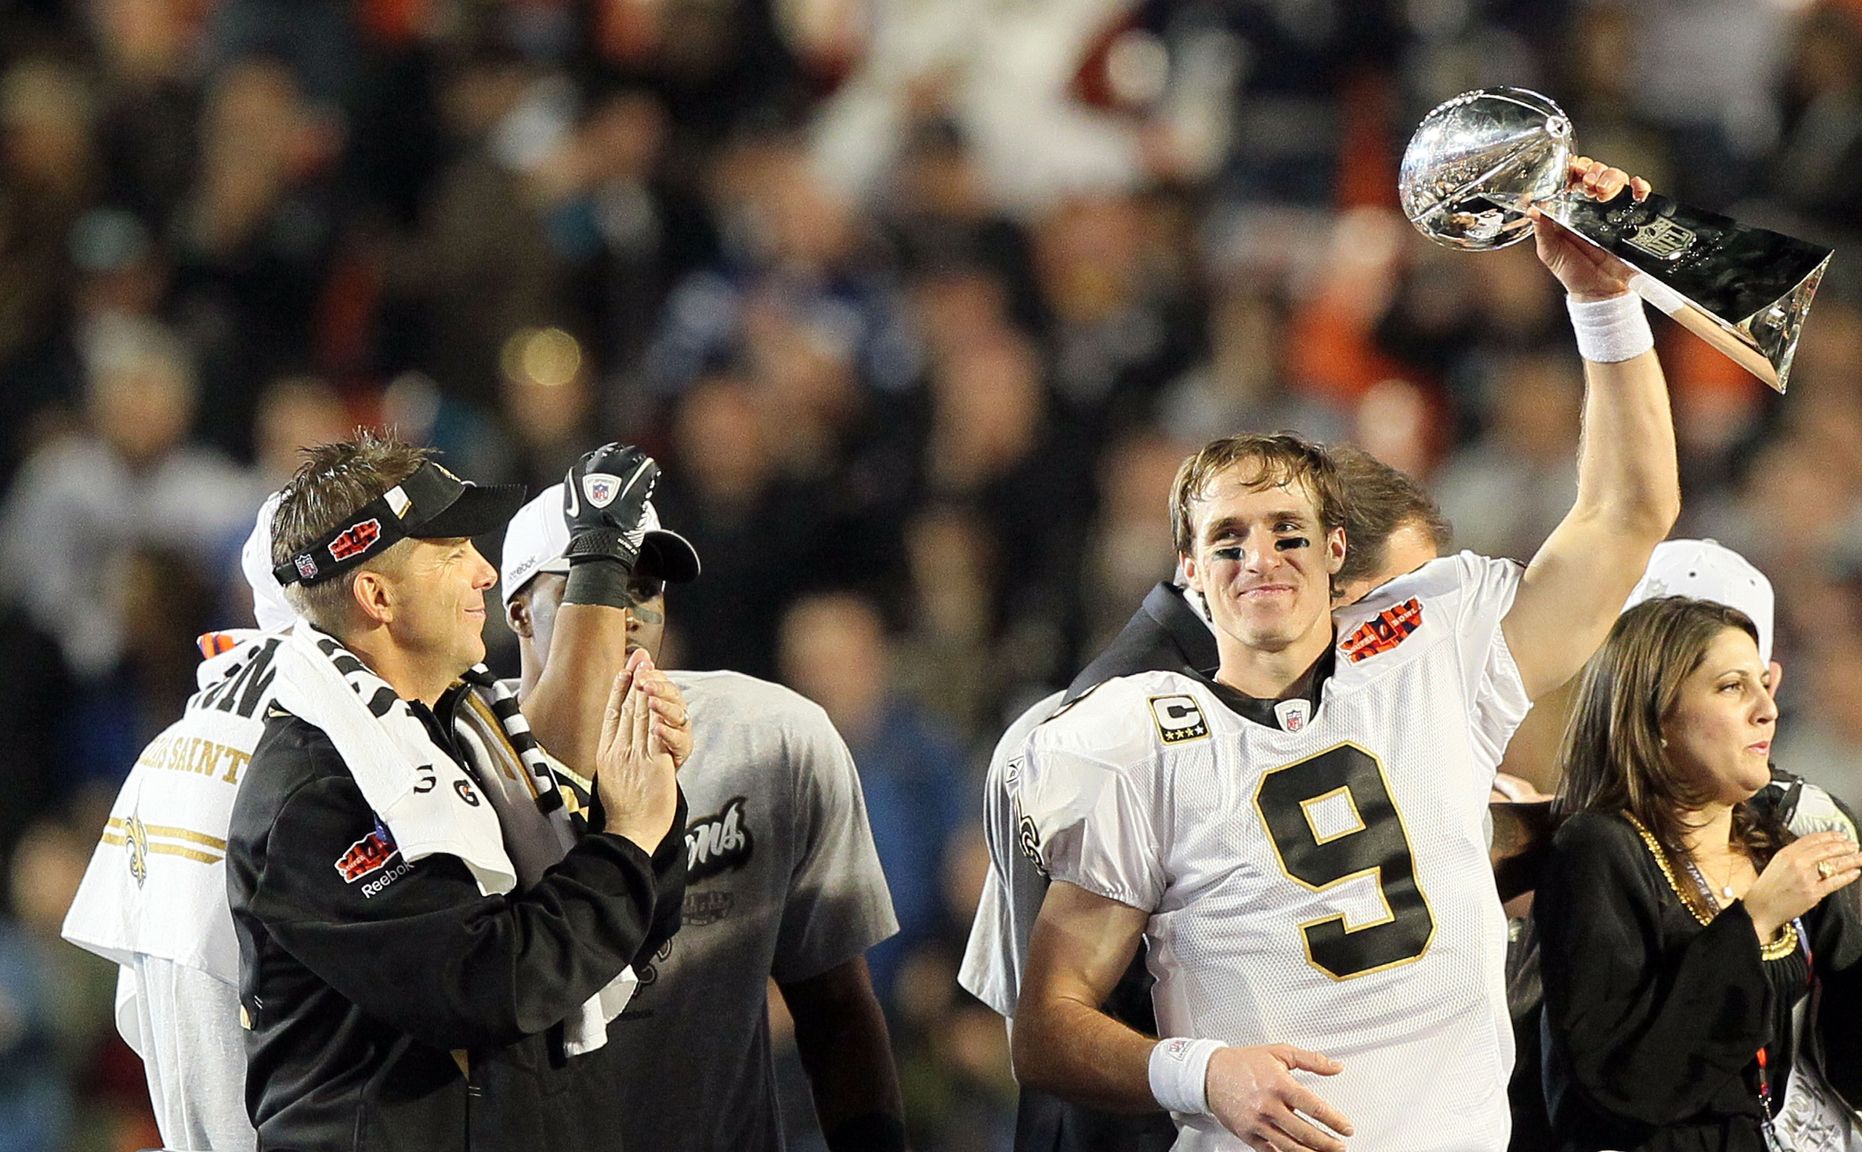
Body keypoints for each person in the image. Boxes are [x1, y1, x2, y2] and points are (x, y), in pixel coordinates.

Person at [1008, 153, 1680, 1152]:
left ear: (1335, 555)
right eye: (1225, 539)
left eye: (1285, 530)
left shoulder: (1429, 654)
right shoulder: (1129, 734)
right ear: (1186, 573)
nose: (1258, 558)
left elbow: (1629, 512)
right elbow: (1044, 1030)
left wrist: (1603, 303)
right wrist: (1199, 1072)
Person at [959, 448, 1455, 1152]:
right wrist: (1200, 1077)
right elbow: (1051, 1020)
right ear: (1335, 578)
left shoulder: (1299, 703)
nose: (1413, 630)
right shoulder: (1112, 733)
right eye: (1399, 602)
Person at [226, 430, 692, 1152]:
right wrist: (627, 840)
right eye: (452, 555)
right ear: (377, 596)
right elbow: (487, 984)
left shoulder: (463, 725)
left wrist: (642, 810)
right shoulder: (315, 793)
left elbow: (624, 931)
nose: (483, 572)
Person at [498, 469, 906, 1152]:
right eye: (589, 587)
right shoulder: (457, 763)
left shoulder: (771, 742)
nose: (623, 612)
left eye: (642, 587)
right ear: (517, 610)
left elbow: (837, 1010)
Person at [1537, 595, 1862, 1152]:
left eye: (1763, 685)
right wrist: (1756, 919)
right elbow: (1621, 1082)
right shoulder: (1599, 848)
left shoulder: (1779, 845)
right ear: (1655, 715)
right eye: (1731, 687)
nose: (1767, 710)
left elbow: (1855, 1066)